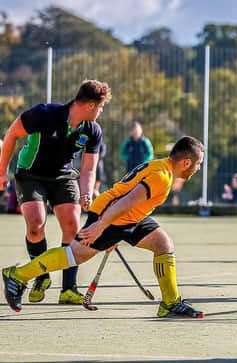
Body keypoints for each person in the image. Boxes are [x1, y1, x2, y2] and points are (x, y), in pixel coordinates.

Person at [2, 136, 206, 318]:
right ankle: (17, 275)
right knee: (75, 255)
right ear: (186, 162)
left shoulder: (161, 167)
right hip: (112, 214)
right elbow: (127, 201)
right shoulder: (161, 176)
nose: (197, 169)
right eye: (198, 165)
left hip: (130, 218)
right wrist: (102, 226)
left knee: (163, 244)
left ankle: (170, 303)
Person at [0, 80, 111, 305]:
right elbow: (12, 134)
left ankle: (69, 289)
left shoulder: (92, 130)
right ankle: (41, 275)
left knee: (71, 224)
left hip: (63, 176)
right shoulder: (45, 114)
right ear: (90, 105)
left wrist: (87, 193)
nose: (101, 112)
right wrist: (2, 171)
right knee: (35, 224)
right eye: (101, 107)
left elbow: (89, 167)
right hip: (30, 173)